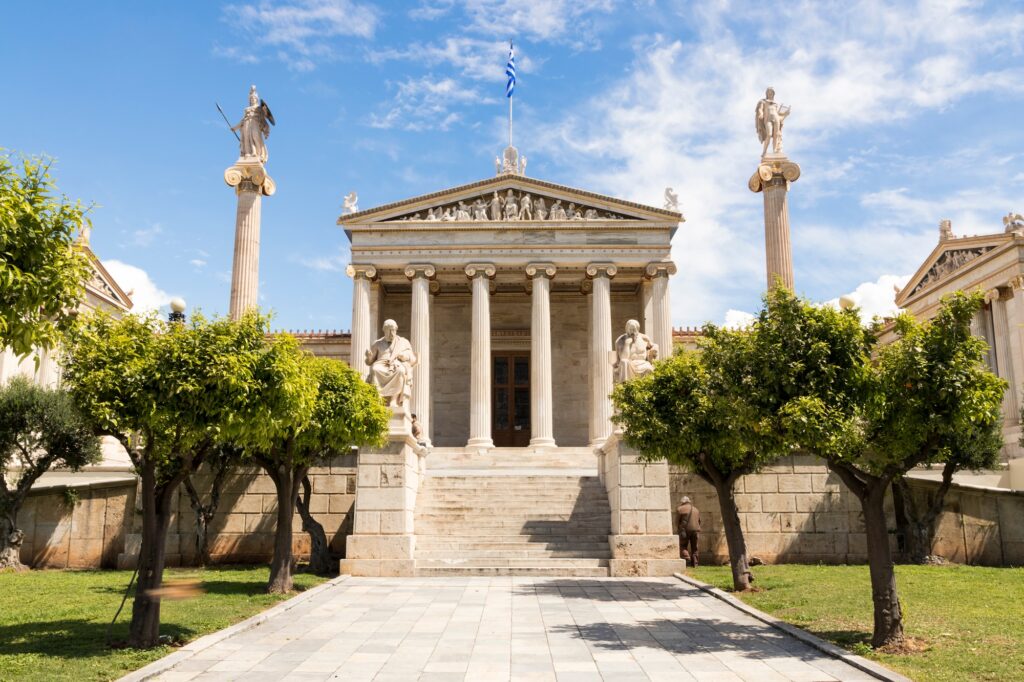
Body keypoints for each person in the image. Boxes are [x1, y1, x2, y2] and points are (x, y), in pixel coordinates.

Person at [365, 320, 416, 406]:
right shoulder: (377, 343)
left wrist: (403, 356)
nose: (391, 333)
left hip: (396, 364)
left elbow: (412, 358)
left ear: (396, 330)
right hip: (380, 363)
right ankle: (378, 398)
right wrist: (369, 357)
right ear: (384, 330)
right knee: (374, 369)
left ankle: (394, 399)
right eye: (389, 331)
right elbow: (369, 362)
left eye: (393, 330)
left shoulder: (403, 342)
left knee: (400, 371)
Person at [676, 496, 701, 566]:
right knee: (695, 547)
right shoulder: (696, 509)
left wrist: (679, 529)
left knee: (683, 545)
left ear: (682, 502)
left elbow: (677, 521)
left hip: (685, 531)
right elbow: (699, 521)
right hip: (696, 530)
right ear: (689, 501)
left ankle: (687, 557)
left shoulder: (680, 509)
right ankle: (695, 563)